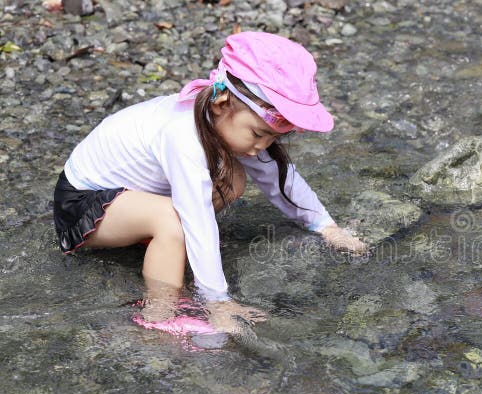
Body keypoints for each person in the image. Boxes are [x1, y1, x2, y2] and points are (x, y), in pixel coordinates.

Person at [53, 31, 366, 331]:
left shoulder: (223, 120)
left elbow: (279, 178)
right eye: (258, 134)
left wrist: (326, 227)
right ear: (220, 104)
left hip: (132, 198)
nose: (263, 146)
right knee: (175, 222)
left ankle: (160, 243)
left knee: (233, 179)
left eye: (272, 138)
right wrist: (216, 301)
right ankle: (159, 314)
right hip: (84, 204)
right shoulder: (181, 134)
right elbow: (197, 217)